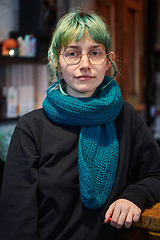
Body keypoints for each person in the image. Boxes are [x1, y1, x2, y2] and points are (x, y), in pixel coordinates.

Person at [0, 9, 160, 240]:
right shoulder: (32, 128)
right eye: (73, 53)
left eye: (95, 53)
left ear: (108, 61)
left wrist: (134, 196)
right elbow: (16, 218)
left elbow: (155, 174)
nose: (84, 64)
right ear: (56, 62)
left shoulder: (127, 117)